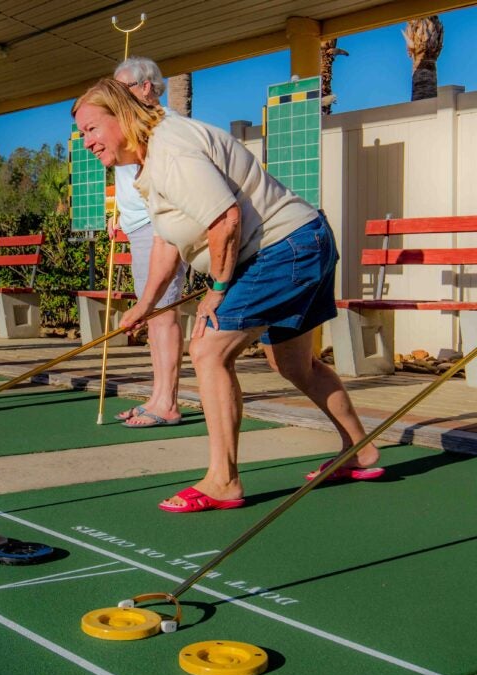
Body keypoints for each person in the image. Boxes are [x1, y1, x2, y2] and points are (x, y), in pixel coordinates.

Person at [72, 78, 383, 513]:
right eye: (82, 133)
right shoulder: (148, 163)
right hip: (302, 240)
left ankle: (223, 481)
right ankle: (360, 451)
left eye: (91, 129)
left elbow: (225, 219)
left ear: (121, 116)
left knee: (208, 350)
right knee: (292, 363)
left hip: (282, 248)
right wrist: (146, 304)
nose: (86, 142)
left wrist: (216, 291)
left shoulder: (170, 149)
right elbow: (168, 241)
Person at [109, 57, 188, 429]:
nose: (115, 98)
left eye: (121, 89)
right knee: (151, 315)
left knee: (162, 312)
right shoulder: (131, 125)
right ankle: (157, 397)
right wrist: (118, 214)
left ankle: (168, 402)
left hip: (158, 225)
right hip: (137, 225)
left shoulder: (167, 126)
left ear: (146, 87)